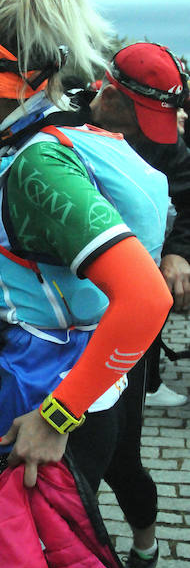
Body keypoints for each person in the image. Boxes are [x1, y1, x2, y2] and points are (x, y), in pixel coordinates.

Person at [0, 0, 172, 533]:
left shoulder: (38, 164)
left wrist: (57, 419)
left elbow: (144, 298)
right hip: (22, 400)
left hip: (49, 424)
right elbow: (16, 279)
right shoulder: (11, 149)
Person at [90, 43, 190, 409]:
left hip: (131, 308)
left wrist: (179, 251)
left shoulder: (162, 144)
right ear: (111, 98)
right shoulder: (58, 127)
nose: (150, 133)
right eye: (144, 120)